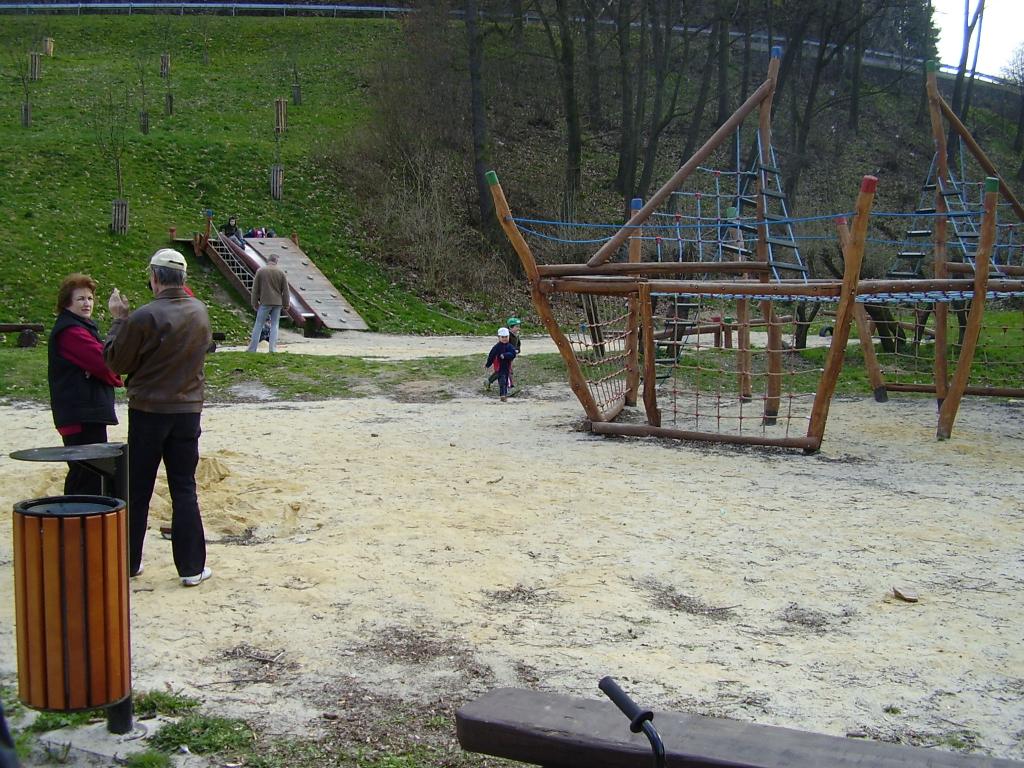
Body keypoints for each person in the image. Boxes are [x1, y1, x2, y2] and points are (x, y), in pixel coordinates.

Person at [104, 249, 214, 587]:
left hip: (149, 411)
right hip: (187, 410)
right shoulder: (199, 311)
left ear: (154, 277)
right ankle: (191, 568)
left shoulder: (144, 316)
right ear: (183, 278)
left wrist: (118, 321)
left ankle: (129, 562)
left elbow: (116, 362)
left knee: (138, 488)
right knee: (184, 488)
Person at [47, 274, 124, 495]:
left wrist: (99, 371)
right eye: (80, 299)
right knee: (86, 473)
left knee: (90, 472)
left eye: (89, 298)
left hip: (85, 412)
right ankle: (74, 515)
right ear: (67, 302)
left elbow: (102, 363)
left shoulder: (81, 327)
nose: (87, 303)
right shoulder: (71, 332)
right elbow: (106, 363)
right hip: (80, 414)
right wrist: (107, 372)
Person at [247, 253, 289, 353]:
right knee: (275, 325)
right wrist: (286, 304)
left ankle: (252, 349)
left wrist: (254, 302)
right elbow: (286, 290)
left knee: (259, 324)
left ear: (268, 260)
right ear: (276, 261)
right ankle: (272, 349)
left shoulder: (260, 271)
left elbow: (255, 289)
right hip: (277, 302)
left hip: (265, 301)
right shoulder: (281, 272)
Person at [487, 316, 523, 391]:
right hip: (502, 357)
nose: (518, 328)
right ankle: (509, 387)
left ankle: (489, 381)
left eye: (519, 326)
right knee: (506, 371)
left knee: (501, 372)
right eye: (516, 327)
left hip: (509, 357)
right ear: (510, 327)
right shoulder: (506, 336)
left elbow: (518, 344)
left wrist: (517, 350)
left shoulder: (516, 335)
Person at [485, 327, 517, 402]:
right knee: (502, 381)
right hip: (499, 367)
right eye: (502, 337)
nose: (504, 339)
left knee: (505, 381)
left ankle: (504, 394)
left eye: (506, 337)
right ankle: (503, 395)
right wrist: (488, 364)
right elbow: (491, 356)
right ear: (499, 337)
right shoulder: (496, 347)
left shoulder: (510, 346)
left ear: (508, 337)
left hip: (507, 367)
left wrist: (505, 355)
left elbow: (513, 354)